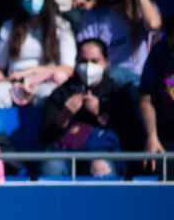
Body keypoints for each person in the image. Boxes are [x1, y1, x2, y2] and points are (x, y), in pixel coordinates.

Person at [40, 37, 138, 177]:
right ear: (76, 63)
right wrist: (64, 115)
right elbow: (45, 138)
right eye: (83, 61)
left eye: (94, 61)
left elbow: (130, 137)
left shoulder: (117, 93)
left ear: (106, 63)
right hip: (65, 151)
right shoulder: (61, 93)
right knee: (52, 166)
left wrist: (101, 114)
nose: (88, 66)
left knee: (101, 167)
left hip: (103, 150)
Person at [0, 0, 75, 109]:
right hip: (14, 82)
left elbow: (68, 69)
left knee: (48, 97)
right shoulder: (9, 26)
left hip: (45, 82)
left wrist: (32, 72)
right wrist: (0, 77)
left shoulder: (61, 27)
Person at [76, 0, 162, 87]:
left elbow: (153, 24)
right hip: (106, 80)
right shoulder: (95, 15)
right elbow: (85, 50)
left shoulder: (140, 10)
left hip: (137, 79)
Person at [139, 15, 174, 179]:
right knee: (155, 165)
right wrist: (152, 137)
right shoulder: (160, 52)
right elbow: (146, 99)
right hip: (166, 132)